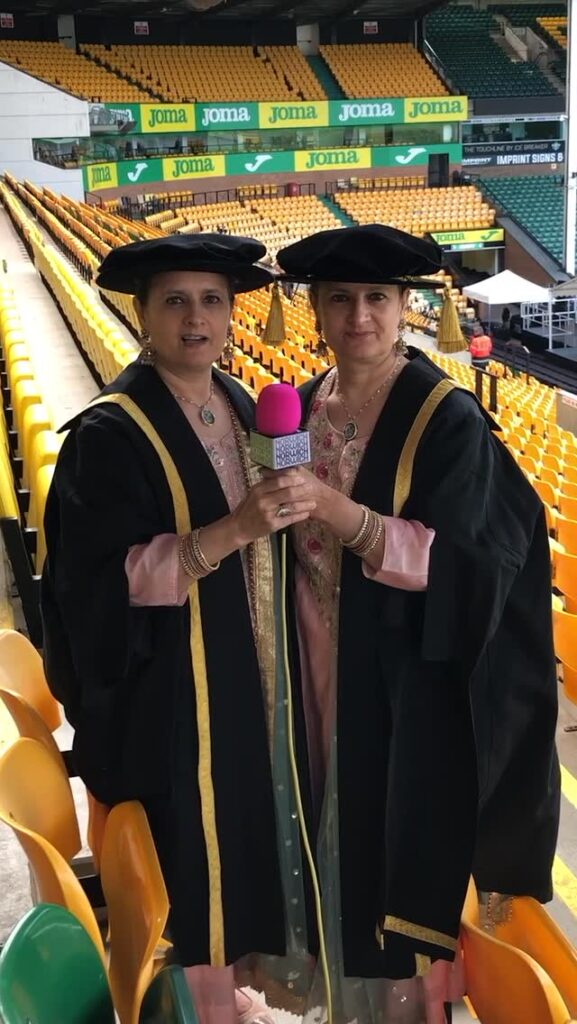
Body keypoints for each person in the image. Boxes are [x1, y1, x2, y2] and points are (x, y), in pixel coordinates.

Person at [271, 223, 560, 1024]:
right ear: (314, 309)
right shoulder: (302, 403)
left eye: (376, 298)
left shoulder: (444, 416)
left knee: (384, 831)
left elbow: (464, 562)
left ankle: (400, 1005)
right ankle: (336, 991)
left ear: (404, 307)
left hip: (399, 669)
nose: (357, 316)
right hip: (309, 648)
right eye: (338, 299)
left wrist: (337, 512)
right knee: (320, 813)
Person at [41, 233, 320, 1024]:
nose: (195, 319)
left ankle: (234, 989)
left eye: (211, 301)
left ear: (231, 315)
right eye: (174, 302)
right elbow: (92, 587)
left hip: (245, 669)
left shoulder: (237, 401)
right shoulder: (108, 435)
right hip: (168, 692)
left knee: (242, 841)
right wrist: (228, 533)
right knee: (190, 864)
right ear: (142, 315)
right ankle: (199, 1008)